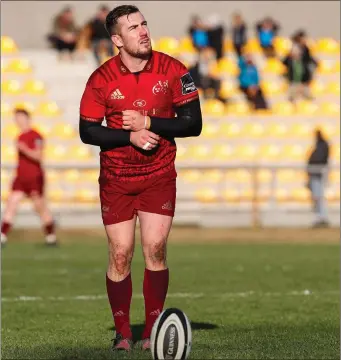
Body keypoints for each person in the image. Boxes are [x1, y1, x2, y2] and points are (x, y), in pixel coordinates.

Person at [79, 4, 202, 352]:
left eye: (144, 24)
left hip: (159, 175)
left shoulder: (174, 70)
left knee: (156, 250)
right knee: (120, 253)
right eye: (133, 28)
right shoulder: (101, 79)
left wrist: (148, 123)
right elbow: (87, 131)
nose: (143, 31)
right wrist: (128, 136)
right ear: (117, 39)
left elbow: (193, 124)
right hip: (117, 179)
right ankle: (122, 332)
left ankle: (152, 331)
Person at [1, 109, 57, 246]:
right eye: (16, 118)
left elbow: (39, 156)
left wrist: (24, 149)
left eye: (20, 117)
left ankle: (51, 236)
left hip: (34, 178)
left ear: (27, 118)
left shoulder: (35, 136)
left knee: (40, 207)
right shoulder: (19, 136)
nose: (18, 121)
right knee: (12, 203)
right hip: (21, 178)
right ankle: (2, 235)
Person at [307, 129, 330, 228]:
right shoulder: (320, 145)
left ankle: (321, 218)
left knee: (319, 197)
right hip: (315, 174)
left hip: (318, 174)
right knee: (317, 197)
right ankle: (319, 217)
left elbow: (320, 159)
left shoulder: (322, 145)